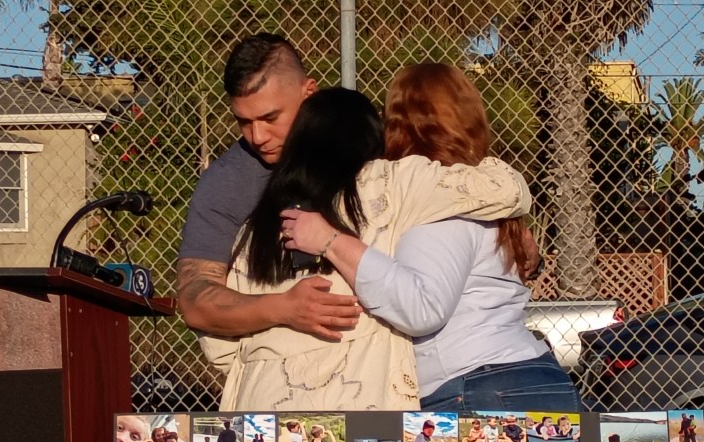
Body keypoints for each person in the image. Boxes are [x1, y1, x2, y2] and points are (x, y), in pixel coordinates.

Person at [200, 71, 532, 411]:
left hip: (263, 401)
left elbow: (220, 350)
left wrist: (277, 327)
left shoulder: (255, 228)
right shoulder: (390, 185)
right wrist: (508, 225)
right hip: (359, 396)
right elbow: (505, 190)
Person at [282, 63, 579, 413]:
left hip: (476, 385)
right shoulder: (480, 189)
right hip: (526, 376)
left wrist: (331, 240)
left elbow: (422, 308)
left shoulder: (439, 199)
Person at [178, 33, 363, 346]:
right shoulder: (225, 181)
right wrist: (284, 307)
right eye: (244, 121)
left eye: (270, 117)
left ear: (309, 93)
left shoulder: (360, 145)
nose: (258, 135)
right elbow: (194, 298)